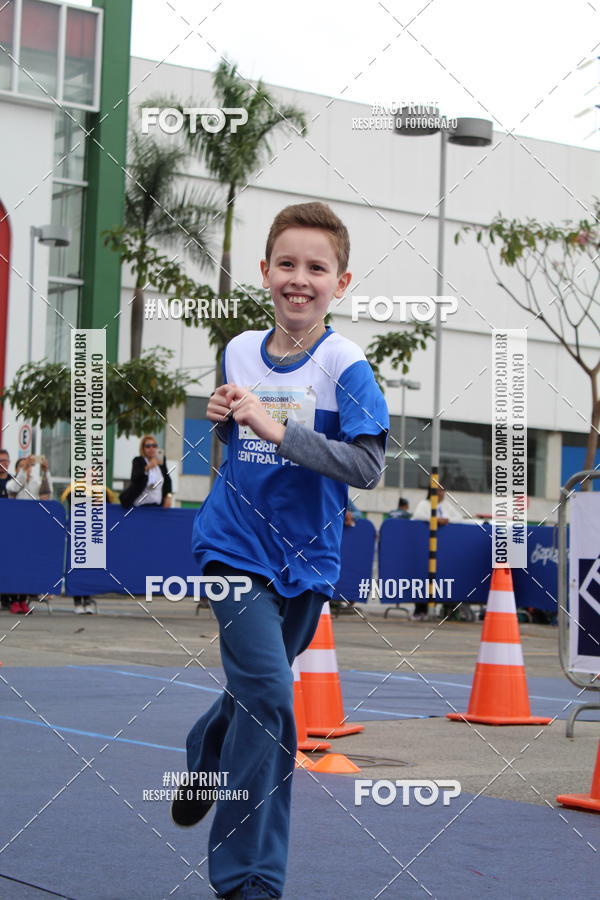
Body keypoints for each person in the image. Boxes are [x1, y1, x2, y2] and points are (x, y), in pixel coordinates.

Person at [173, 202, 389, 900]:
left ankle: (205, 753)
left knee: (252, 695)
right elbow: (242, 444)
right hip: (233, 550)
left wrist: (268, 423)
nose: (300, 279)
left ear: (341, 281)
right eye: (287, 265)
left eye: (316, 268)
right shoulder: (238, 349)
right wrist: (226, 417)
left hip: (309, 563)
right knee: (271, 697)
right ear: (266, 273)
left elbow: (366, 468)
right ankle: (249, 880)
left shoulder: (346, 365)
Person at [61, 477, 118, 613]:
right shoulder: (74, 489)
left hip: (93, 534)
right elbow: (72, 501)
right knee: (76, 567)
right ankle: (77, 601)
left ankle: (87, 599)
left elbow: (109, 504)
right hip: (78, 535)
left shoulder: (102, 491)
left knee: (89, 568)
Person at [412, 486, 462, 619]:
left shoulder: (446, 506)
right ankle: (420, 610)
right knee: (423, 578)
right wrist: (433, 520)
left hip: (444, 550)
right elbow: (417, 516)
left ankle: (445, 610)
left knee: (443, 578)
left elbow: (459, 517)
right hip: (425, 548)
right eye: (439, 490)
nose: (442, 493)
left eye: (443, 490)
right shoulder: (424, 504)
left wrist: (447, 520)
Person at [119, 435, 173, 508]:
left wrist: (168, 496)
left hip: (157, 506)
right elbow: (134, 478)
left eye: (154, 446)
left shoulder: (160, 461)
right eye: (148, 446)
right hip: (140, 506)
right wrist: (148, 467)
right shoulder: (138, 460)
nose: (151, 448)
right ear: (143, 448)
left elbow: (167, 480)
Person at [0, 448, 19, 612]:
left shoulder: (14, 481)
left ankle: (8, 598)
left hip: (11, 532)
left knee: (9, 564)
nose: (3, 464)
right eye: (1, 461)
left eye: (5, 461)